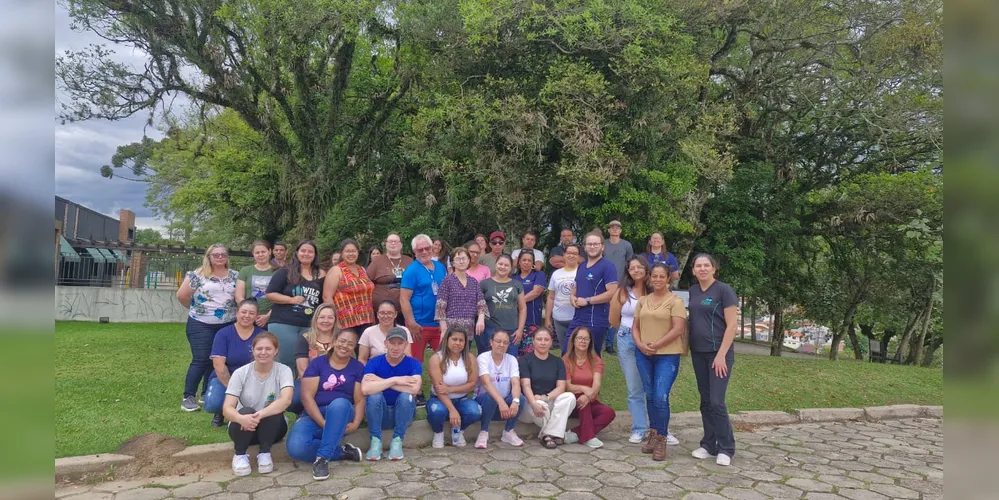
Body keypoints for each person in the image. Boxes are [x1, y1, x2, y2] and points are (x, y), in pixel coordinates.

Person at [285, 328, 365, 480]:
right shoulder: (318, 364)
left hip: (341, 413)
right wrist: (322, 422)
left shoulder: (357, 367)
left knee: (340, 403)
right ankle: (343, 452)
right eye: (342, 341)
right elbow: (307, 397)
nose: (345, 346)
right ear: (334, 342)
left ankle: (322, 459)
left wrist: (355, 423)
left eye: (350, 344)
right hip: (315, 413)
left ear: (354, 347)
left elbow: (360, 399)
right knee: (296, 448)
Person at [632, 262, 688, 461]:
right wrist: (639, 344)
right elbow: (635, 326)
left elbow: (678, 329)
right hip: (644, 354)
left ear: (668, 278)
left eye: (661, 276)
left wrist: (656, 344)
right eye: (654, 276)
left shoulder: (675, 301)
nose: (657, 279)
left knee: (660, 396)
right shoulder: (643, 300)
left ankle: (662, 437)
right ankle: (653, 434)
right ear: (649, 278)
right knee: (649, 394)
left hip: (667, 355)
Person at [687, 253, 738, 466]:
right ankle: (709, 444)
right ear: (693, 270)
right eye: (698, 266)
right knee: (706, 401)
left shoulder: (724, 290)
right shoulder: (692, 291)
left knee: (717, 401)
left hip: (719, 354)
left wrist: (721, 355)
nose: (702, 269)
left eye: (706, 265)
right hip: (698, 352)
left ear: (714, 268)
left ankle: (726, 448)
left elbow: (732, 325)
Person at [221, 332, 294, 476]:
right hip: (244, 427)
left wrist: (260, 414)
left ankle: (265, 453)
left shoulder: (284, 370)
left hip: (273, 429)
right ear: (253, 350)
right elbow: (227, 409)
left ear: (276, 350)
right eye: (259, 349)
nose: (263, 352)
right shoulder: (240, 373)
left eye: (268, 349)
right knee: (246, 410)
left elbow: (286, 400)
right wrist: (241, 418)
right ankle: (240, 455)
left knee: (273, 409)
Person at [177, 244, 238, 412]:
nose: (219, 257)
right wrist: (197, 309)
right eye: (215, 255)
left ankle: (206, 393)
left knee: (217, 359)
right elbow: (182, 295)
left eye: (223, 254)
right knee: (201, 359)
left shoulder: (235, 276)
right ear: (209, 257)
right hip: (201, 323)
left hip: (227, 324)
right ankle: (189, 396)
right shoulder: (197, 275)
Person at [265, 241, 326, 376]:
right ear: (297, 253)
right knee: (286, 362)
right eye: (303, 251)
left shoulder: (322, 274)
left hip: (309, 325)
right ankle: (283, 393)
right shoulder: (285, 271)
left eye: (310, 251)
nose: (306, 254)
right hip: (283, 322)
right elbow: (270, 293)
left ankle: (302, 394)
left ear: (315, 255)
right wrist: (291, 300)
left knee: (309, 363)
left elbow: (324, 299)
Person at [361, 327, 422, 461]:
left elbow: (414, 389)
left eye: (400, 343)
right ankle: (375, 442)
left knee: (407, 397)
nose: (395, 347)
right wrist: (396, 380)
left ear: (406, 345)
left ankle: (397, 441)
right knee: (374, 395)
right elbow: (365, 389)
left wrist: (381, 381)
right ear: (385, 344)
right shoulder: (374, 362)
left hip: (403, 414)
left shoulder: (413, 364)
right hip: (379, 413)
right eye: (392, 343)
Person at [399, 234, 447, 408]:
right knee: (416, 359)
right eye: (420, 250)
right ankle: (417, 392)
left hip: (439, 323)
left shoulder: (441, 267)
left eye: (427, 248)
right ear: (414, 252)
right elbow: (404, 299)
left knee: (443, 358)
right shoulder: (411, 270)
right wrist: (410, 322)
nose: (425, 251)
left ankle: (440, 388)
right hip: (419, 324)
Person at [204, 299, 266, 427]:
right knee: (213, 403)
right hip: (227, 378)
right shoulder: (223, 334)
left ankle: (242, 411)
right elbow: (219, 366)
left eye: (251, 313)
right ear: (237, 313)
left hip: (252, 378)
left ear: (256, 316)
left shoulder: (263, 336)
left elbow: (265, 365)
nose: (247, 316)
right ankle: (221, 411)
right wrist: (234, 390)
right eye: (243, 312)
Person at [518, 327, 575, 448]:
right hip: (530, 405)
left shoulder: (558, 362)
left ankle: (547, 434)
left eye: (546, 339)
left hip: (548, 401)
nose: (543, 342)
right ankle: (557, 434)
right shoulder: (524, 361)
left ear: (550, 342)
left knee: (569, 397)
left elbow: (561, 387)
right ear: (533, 341)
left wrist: (546, 398)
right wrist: (534, 403)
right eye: (539, 339)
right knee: (540, 404)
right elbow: (526, 385)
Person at [426, 327, 482, 448]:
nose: (457, 343)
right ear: (447, 340)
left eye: (461, 340)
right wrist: (452, 410)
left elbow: (472, 384)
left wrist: (450, 389)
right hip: (439, 399)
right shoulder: (436, 358)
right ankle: (438, 432)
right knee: (437, 411)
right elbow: (439, 389)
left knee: (475, 411)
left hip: (461, 399)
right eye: (454, 339)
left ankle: (458, 430)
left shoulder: (470, 358)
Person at [562, 327, 616, 448]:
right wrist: (584, 389)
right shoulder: (566, 360)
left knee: (609, 413)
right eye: (580, 338)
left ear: (590, 342)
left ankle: (576, 433)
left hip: (590, 399)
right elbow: (567, 386)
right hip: (571, 402)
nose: (583, 341)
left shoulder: (596, 360)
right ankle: (588, 437)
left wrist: (588, 395)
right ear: (574, 341)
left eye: (586, 339)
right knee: (582, 401)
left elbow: (596, 385)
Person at [568, 232, 619, 356]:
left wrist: (588, 300)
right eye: (589, 244)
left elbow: (612, 292)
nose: (592, 247)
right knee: (568, 352)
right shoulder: (581, 266)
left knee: (591, 356)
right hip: (578, 318)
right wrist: (572, 296)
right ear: (584, 247)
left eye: (596, 244)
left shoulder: (608, 267)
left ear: (602, 246)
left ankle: (594, 376)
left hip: (595, 320)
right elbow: (576, 286)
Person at [474, 330, 525, 449]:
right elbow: (486, 383)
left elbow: (515, 382)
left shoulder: (511, 359)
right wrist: (501, 402)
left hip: (504, 404)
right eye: (498, 341)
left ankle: (508, 431)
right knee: (491, 396)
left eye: (505, 342)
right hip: (484, 401)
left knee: (520, 398)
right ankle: (484, 432)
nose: (501, 345)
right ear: (491, 342)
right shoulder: (483, 358)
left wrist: (515, 401)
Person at [290, 303, 339, 414]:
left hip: (337, 380)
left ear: (335, 320)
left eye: (330, 317)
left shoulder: (341, 337)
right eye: (322, 317)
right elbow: (303, 370)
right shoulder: (305, 337)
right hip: (307, 380)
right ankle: (304, 414)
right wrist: (320, 386)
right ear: (315, 319)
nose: (326, 321)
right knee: (295, 400)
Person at [322, 239, 376, 333]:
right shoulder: (336, 270)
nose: (351, 254)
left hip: (367, 321)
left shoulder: (362, 270)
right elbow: (327, 297)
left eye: (353, 251)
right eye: (347, 251)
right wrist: (335, 320)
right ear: (341, 254)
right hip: (346, 323)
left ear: (358, 253)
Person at [435, 247, 487, 341]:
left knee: (466, 355)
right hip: (451, 329)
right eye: (458, 259)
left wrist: (481, 318)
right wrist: (443, 330)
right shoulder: (447, 281)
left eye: (464, 258)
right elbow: (440, 307)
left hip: (468, 329)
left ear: (468, 261)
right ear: (452, 262)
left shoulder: (473, 282)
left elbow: (481, 303)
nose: (461, 261)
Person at [480, 255, 526, 356]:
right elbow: (479, 306)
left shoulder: (516, 284)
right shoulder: (484, 284)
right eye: (500, 264)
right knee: (489, 361)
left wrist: (520, 329)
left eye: (506, 265)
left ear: (510, 268)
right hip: (490, 329)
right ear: (496, 264)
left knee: (511, 360)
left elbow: (522, 308)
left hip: (512, 330)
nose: (503, 267)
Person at [602, 221, 634, 354]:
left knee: (615, 312)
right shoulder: (603, 244)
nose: (615, 229)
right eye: (612, 227)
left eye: (618, 227)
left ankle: (609, 344)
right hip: (602, 283)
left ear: (621, 230)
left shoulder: (626, 245)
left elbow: (630, 264)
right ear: (608, 230)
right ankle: (598, 338)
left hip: (620, 283)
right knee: (601, 311)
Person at [367, 232, 414, 322]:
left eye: (396, 241)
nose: (393, 243)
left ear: (401, 244)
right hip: (383, 312)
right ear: (386, 244)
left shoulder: (409, 261)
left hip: (406, 310)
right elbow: (367, 282)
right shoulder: (377, 261)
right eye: (390, 241)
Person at [546, 243, 580, 352]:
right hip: (559, 318)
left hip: (577, 318)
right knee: (564, 349)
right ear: (564, 255)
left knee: (577, 349)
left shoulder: (582, 272)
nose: (571, 255)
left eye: (575, 253)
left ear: (578, 256)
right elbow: (551, 297)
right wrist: (547, 318)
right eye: (569, 253)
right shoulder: (556, 274)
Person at [236, 240, 277, 328]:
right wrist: (251, 314)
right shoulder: (245, 271)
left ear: (269, 252)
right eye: (257, 252)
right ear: (253, 254)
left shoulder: (278, 272)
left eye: (263, 252)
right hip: (248, 318)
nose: (260, 255)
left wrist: (267, 316)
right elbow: (239, 296)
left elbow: (281, 297)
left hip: (273, 318)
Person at [512, 250, 546, 355]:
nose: (526, 262)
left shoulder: (538, 275)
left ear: (533, 263)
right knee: (514, 351)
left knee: (529, 352)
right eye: (524, 260)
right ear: (519, 262)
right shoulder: (513, 277)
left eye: (529, 260)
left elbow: (537, 291)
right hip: (514, 321)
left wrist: (520, 303)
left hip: (532, 320)